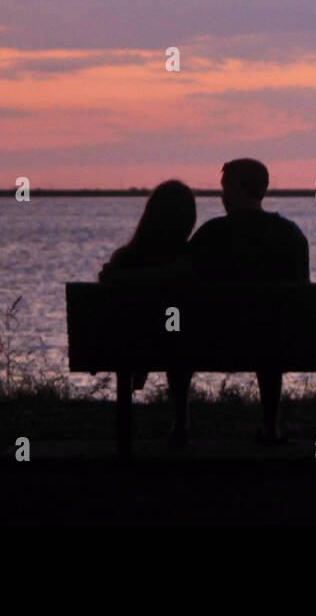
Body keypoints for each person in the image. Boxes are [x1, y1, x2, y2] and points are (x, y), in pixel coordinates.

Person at [181, 157, 309, 444]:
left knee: (179, 335)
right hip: (280, 342)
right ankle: (270, 423)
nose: (222, 195)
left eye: (225, 187)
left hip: (211, 342)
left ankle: (180, 423)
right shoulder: (290, 234)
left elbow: (181, 283)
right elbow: (303, 294)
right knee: (271, 328)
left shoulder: (211, 234)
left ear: (238, 189)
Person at [97, 180, 197, 444]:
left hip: (131, 345)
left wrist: (123, 278)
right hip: (179, 346)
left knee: (152, 330)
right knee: (177, 335)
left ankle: (136, 379)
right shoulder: (190, 262)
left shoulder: (123, 260)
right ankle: (180, 422)